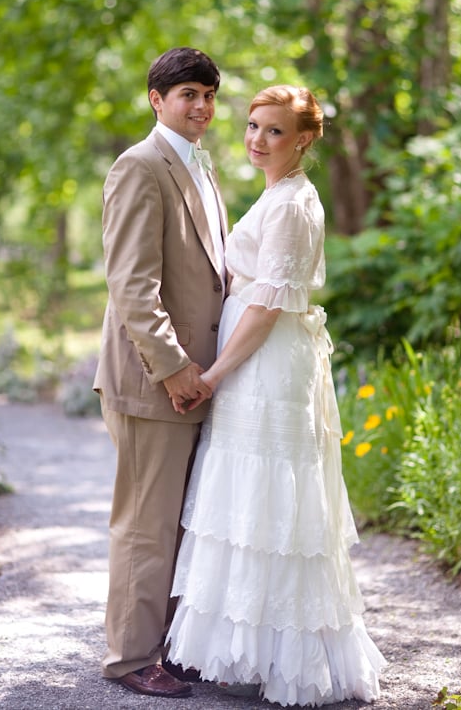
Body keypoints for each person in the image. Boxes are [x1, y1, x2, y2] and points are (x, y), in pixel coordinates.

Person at [166, 84, 387, 706]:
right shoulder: (277, 193)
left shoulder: (294, 204)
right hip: (254, 360)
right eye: (254, 126)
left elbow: (265, 306)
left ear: (305, 140)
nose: (258, 140)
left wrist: (212, 376)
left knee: (270, 502)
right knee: (248, 500)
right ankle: (243, 648)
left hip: (266, 362)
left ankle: (283, 655)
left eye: (275, 132)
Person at [93, 47, 227, 698]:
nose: (201, 106)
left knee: (177, 521)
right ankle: (129, 659)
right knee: (146, 525)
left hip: (199, 378)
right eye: (188, 94)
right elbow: (132, 287)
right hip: (153, 381)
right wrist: (174, 369)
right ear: (156, 99)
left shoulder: (201, 165)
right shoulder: (139, 167)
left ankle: (166, 650)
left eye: (208, 94)